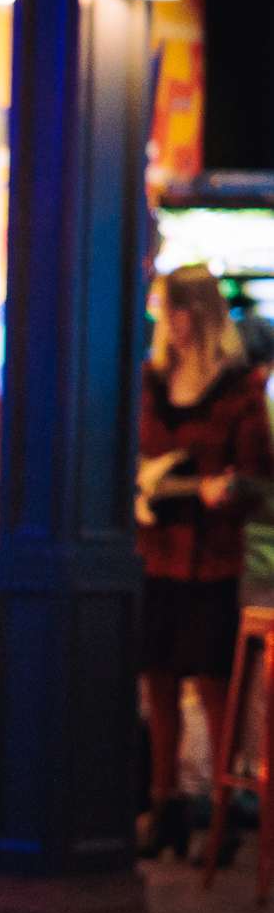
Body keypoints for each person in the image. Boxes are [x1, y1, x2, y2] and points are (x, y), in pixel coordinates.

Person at [136, 263, 274, 859]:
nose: (168, 321)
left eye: (176, 309)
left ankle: (220, 818)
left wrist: (229, 488)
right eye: (165, 309)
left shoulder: (241, 388)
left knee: (215, 689)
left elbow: (260, 481)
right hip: (156, 555)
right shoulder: (152, 380)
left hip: (212, 561)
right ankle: (165, 806)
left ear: (200, 313)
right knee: (158, 683)